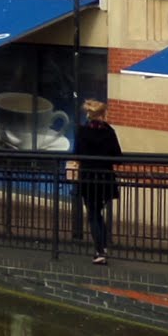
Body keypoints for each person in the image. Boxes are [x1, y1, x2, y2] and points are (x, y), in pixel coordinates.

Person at [71, 98, 123, 265]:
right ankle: (103, 246)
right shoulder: (109, 132)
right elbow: (118, 157)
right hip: (105, 178)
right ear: (102, 114)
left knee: (93, 214)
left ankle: (100, 250)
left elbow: (77, 154)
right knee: (97, 212)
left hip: (87, 177)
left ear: (89, 114)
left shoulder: (82, 131)